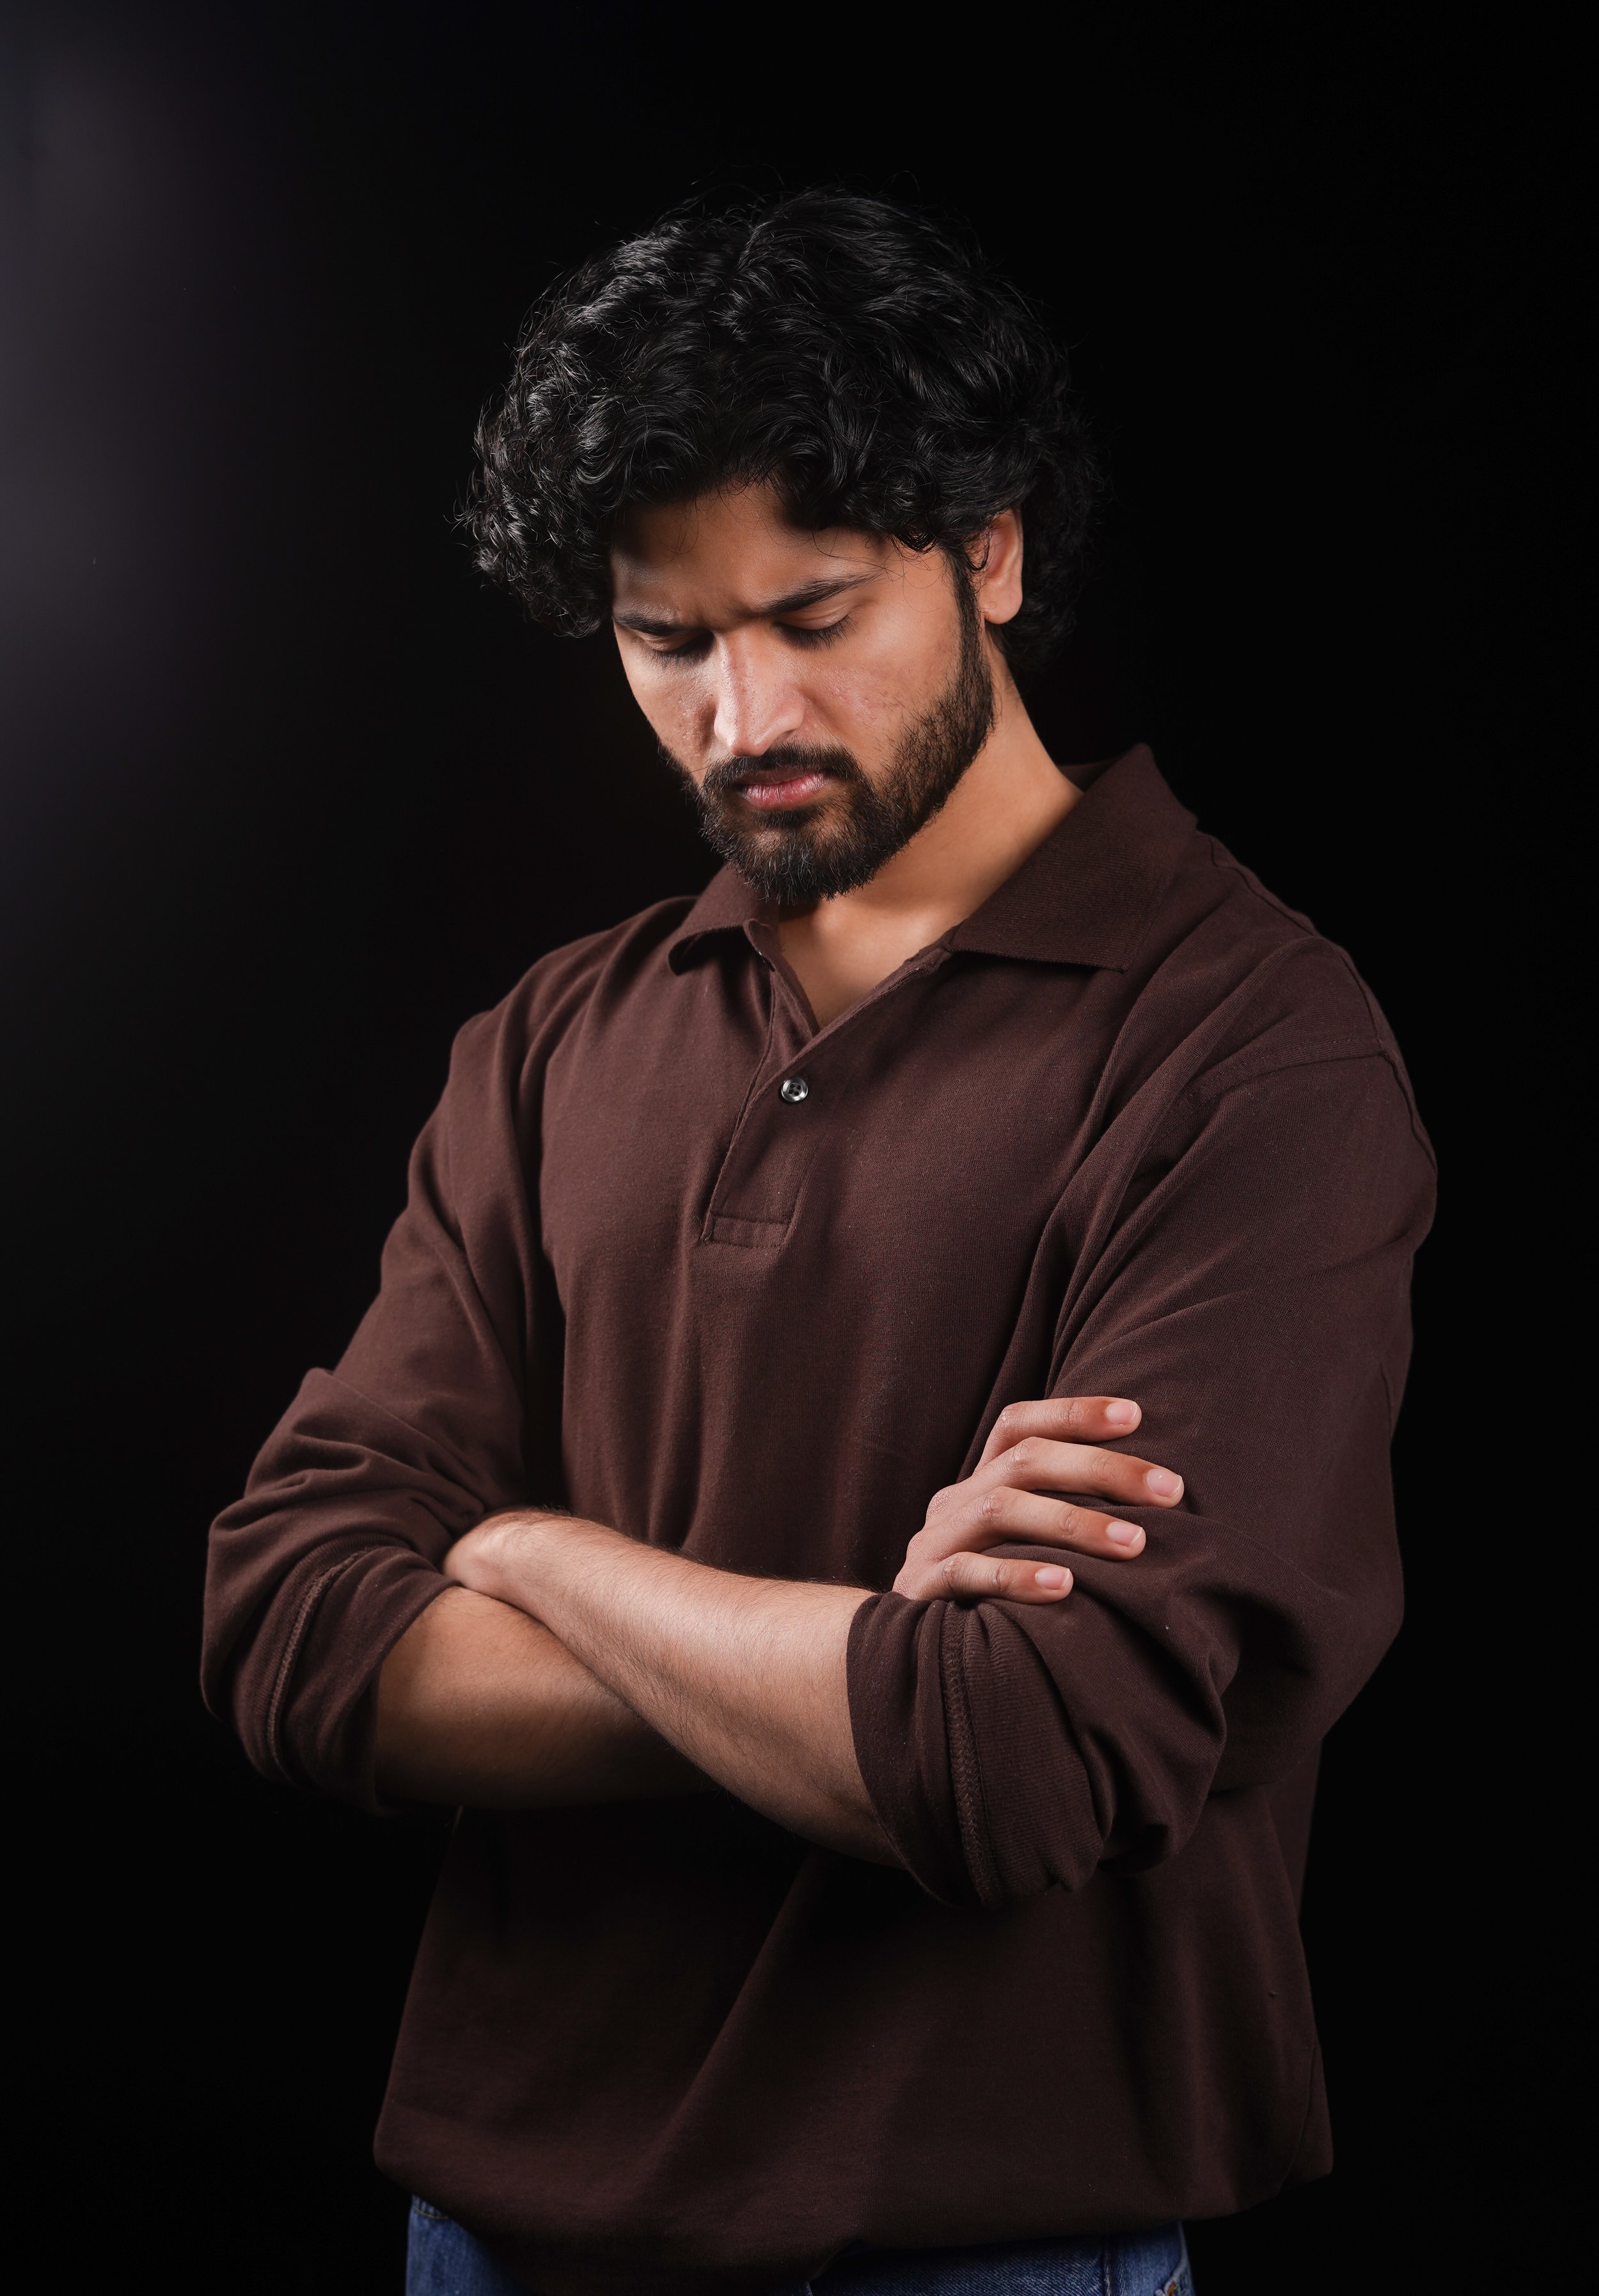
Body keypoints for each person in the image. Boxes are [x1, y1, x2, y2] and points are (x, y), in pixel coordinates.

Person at [203, 191, 1435, 2296]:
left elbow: (1028, 1751)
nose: (739, 715)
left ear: (994, 556)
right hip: (487, 2232)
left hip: (982, 2244)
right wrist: (870, 1636)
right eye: (667, 639)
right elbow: (293, 1636)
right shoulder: (553, 1037)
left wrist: (532, 1553)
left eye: (815, 610)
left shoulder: (1253, 1049)